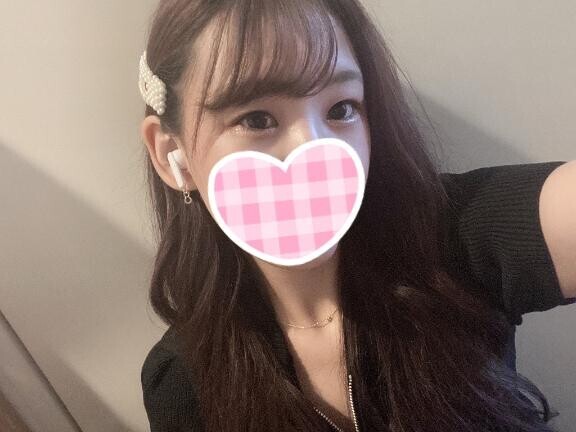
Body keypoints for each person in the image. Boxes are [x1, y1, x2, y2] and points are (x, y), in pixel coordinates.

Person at [138, 0, 575, 431]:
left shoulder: (452, 235)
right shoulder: (181, 383)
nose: (315, 150)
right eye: (256, 119)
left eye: (341, 109)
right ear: (171, 155)